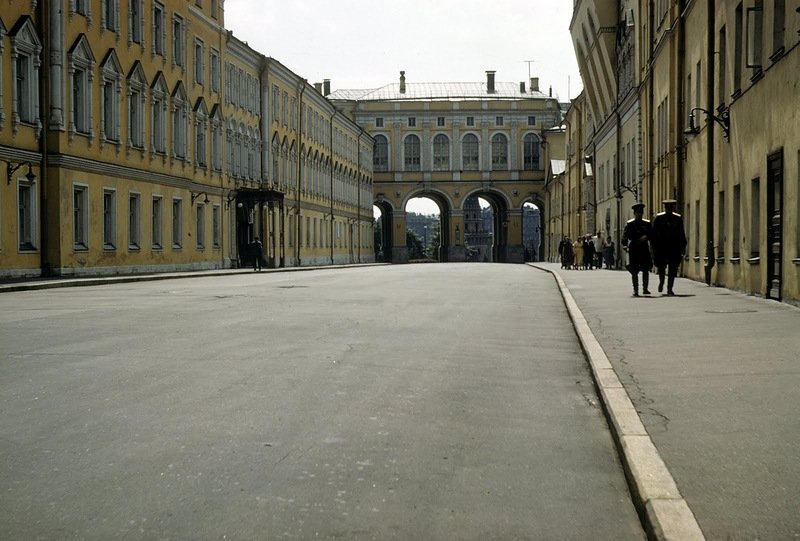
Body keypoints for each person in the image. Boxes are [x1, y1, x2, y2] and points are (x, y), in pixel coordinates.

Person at [652, 199, 687, 295]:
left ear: (673, 208)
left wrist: (683, 247)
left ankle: (669, 288)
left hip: (674, 248)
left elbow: (681, 234)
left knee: (672, 269)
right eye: (667, 208)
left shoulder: (677, 219)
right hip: (661, 248)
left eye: (670, 208)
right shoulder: (659, 218)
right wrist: (654, 247)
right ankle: (662, 282)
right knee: (661, 268)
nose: (669, 210)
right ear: (665, 208)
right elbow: (654, 234)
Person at [621, 203, 653, 296]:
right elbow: (625, 236)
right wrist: (624, 244)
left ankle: (645, 288)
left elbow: (651, 235)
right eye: (638, 212)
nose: (639, 214)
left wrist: (648, 239)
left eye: (641, 212)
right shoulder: (630, 224)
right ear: (634, 213)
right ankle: (636, 289)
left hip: (644, 248)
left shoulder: (646, 224)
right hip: (634, 248)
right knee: (634, 270)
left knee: (646, 269)